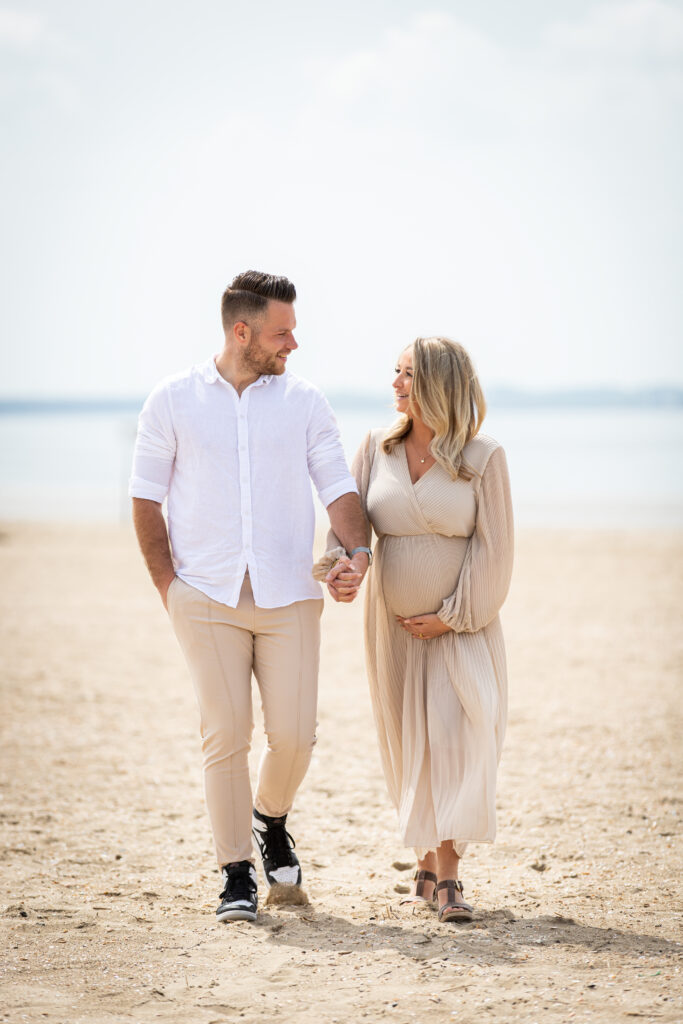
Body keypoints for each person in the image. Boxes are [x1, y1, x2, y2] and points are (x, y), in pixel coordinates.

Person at [129, 270, 371, 923]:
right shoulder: (171, 400)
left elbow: (339, 491)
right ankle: (236, 873)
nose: (293, 343)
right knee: (225, 734)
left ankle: (271, 818)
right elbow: (146, 499)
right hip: (203, 594)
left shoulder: (305, 402)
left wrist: (358, 555)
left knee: (294, 736)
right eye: (281, 332)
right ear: (242, 332)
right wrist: (166, 586)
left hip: (290, 593)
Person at [317, 336, 513, 922]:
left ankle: (449, 875)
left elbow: (496, 549)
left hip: (464, 629)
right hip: (395, 629)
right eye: (396, 372)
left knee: (461, 741)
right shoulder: (374, 449)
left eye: (409, 374)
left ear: (440, 384)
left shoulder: (483, 457)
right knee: (411, 746)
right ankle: (426, 861)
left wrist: (453, 615)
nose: (396, 384)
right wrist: (341, 568)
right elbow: (346, 528)